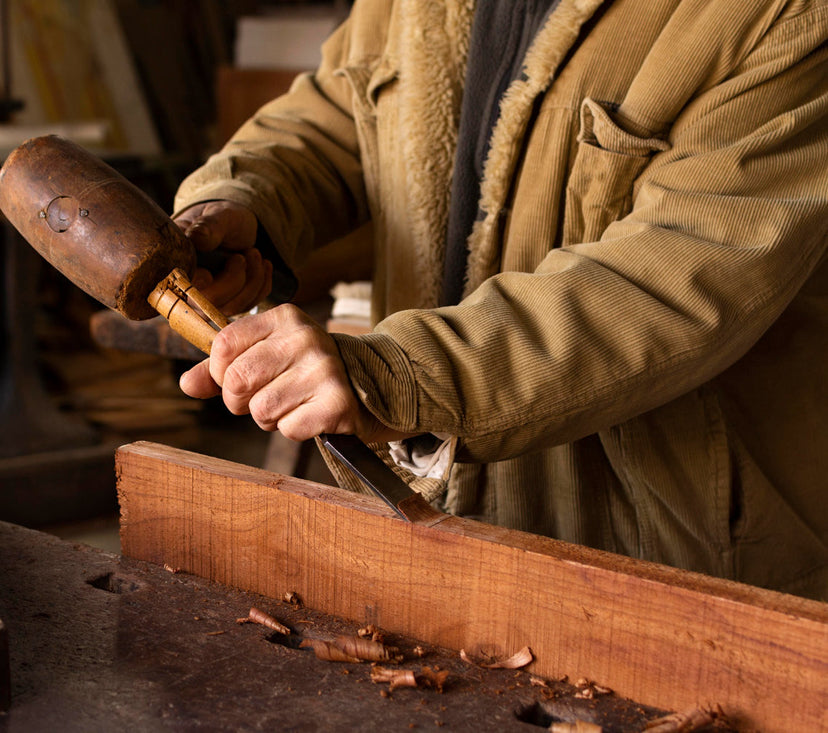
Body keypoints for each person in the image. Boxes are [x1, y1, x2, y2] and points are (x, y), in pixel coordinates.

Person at [170, 0, 828, 602]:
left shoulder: (780, 14)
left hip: (673, 556)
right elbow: (347, 104)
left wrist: (399, 375)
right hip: (443, 509)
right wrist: (240, 199)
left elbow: (681, 270)